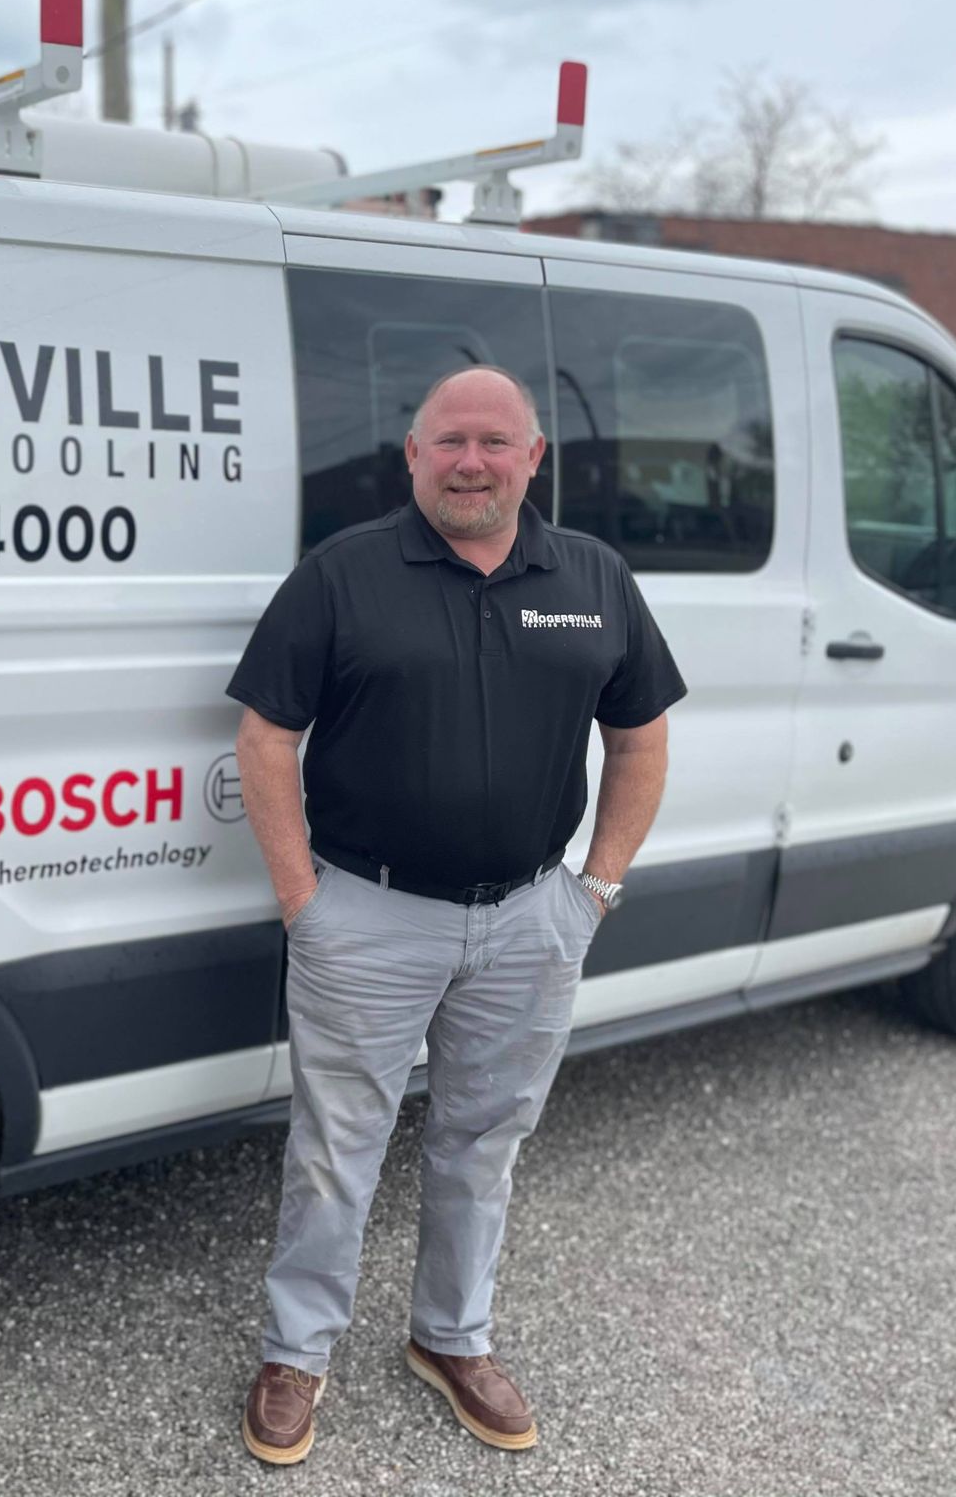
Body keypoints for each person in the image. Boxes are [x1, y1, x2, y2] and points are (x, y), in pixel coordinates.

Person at [228, 364, 685, 1463]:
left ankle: (450, 1337)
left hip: (532, 916)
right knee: (338, 1146)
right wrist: (304, 901)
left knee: (484, 1140)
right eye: (448, 442)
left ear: (533, 458)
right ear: (412, 458)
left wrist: (596, 886)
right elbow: (262, 737)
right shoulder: (342, 574)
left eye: (493, 442)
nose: (470, 461)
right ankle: (296, 1352)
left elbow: (639, 736)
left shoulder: (590, 576)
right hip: (367, 917)